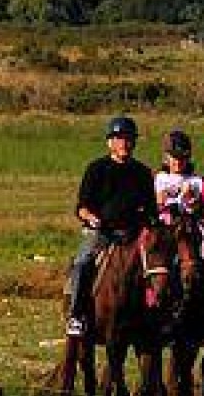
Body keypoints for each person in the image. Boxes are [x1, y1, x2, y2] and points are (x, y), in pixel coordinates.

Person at [66, 115, 157, 337]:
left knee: (161, 266)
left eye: (128, 139)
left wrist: (148, 224)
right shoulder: (97, 169)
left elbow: (151, 209)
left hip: (134, 234)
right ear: (109, 143)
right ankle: (76, 315)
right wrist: (90, 217)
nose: (124, 143)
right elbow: (82, 206)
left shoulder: (142, 173)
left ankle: (161, 316)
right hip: (103, 232)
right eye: (118, 139)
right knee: (82, 262)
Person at [154, 128, 204, 339]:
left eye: (183, 157)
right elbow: (143, 208)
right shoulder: (157, 180)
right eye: (174, 157)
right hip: (163, 231)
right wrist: (158, 203)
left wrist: (198, 204)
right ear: (166, 157)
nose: (178, 162)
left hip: (192, 231)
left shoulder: (198, 181)